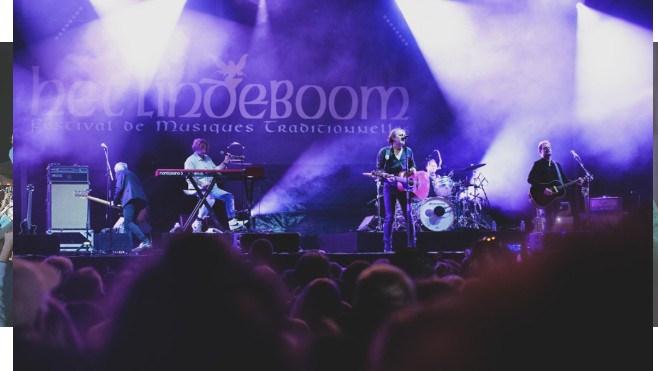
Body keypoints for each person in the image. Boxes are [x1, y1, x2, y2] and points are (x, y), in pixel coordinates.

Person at [184, 138, 245, 232]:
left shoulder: (207, 158)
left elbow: (216, 170)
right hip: (198, 188)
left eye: (205, 147)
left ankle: (232, 222)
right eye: (202, 147)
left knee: (229, 196)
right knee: (210, 199)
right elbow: (189, 177)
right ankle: (198, 222)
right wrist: (201, 185)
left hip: (212, 187)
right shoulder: (190, 160)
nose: (204, 149)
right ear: (196, 147)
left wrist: (225, 162)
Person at [527, 140, 582, 232]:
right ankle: (547, 243)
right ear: (540, 152)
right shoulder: (538, 164)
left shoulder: (557, 165)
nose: (547, 149)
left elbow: (564, 181)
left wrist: (576, 183)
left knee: (553, 223)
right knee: (549, 221)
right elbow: (530, 179)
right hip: (543, 198)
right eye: (545, 148)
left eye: (549, 147)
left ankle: (550, 241)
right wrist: (543, 189)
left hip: (555, 199)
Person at [376, 128, 417, 252]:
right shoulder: (384, 151)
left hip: (405, 188)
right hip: (390, 187)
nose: (404, 137)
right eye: (400, 135)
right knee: (390, 216)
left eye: (404, 135)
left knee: (408, 215)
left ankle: (412, 243)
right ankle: (387, 246)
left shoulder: (408, 151)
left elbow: (412, 165)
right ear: (393, 138)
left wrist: (413, 169)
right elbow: (379, 169)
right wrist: (387, 177)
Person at [111, 162, 151, 253]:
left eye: (115, 171)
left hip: (130, 199)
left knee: (128, 222)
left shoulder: (120, 172)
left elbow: (119, 187)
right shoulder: (133, 174)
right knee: (131, 224)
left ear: (117, 169)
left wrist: (115, 201)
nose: (115, 173)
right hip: (141, 200)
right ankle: (133, 246)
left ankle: (145, 240)